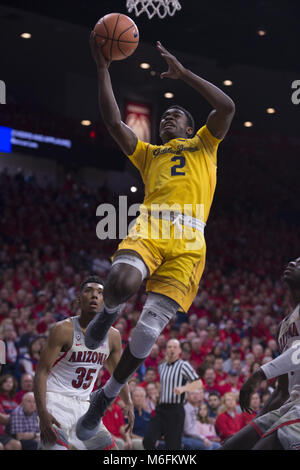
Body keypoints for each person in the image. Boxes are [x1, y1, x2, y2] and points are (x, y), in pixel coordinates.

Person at [76, 32, 235, 440]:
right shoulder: (150, 154)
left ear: (190, 125)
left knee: (147, 332)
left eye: (177, 113)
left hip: (189, 243)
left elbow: (227, 106)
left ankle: (106, 396)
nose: (168, 116)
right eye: (164, 114)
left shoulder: (205, 145)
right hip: (152, 226)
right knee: (121, 281)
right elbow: (113, 122)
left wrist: (184, 76)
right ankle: (108, 314)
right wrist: (102, 69)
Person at [34, 276, 134, 450]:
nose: (94, 296)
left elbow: (118, 375)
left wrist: (128, 402)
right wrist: (42, 413)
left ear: (106, 301)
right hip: (55, 401)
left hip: (85, 406)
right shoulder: (62, 329)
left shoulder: (113, 336)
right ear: (79, 299)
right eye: (88, 291)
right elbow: (41, 372)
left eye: (100, 293)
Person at [221, 257, 300, 450]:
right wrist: (255, 424)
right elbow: (282, 391)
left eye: (299, 263)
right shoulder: (283, 325)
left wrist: (260, 374)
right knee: (231, 446)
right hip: (291, 403)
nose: (292, 263)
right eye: (293, 261)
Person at [143, 339, 202, 450]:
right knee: (148, 440)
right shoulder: (161, 367)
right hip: (161, 409)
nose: (172, 349)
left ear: (179, 350)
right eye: (169, 347)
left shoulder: (184, 365)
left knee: (173, 446)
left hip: (176, 410)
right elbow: (164, 385)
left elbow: (198, 383)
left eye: (175, 347)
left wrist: (184, 388)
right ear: (166, 350)